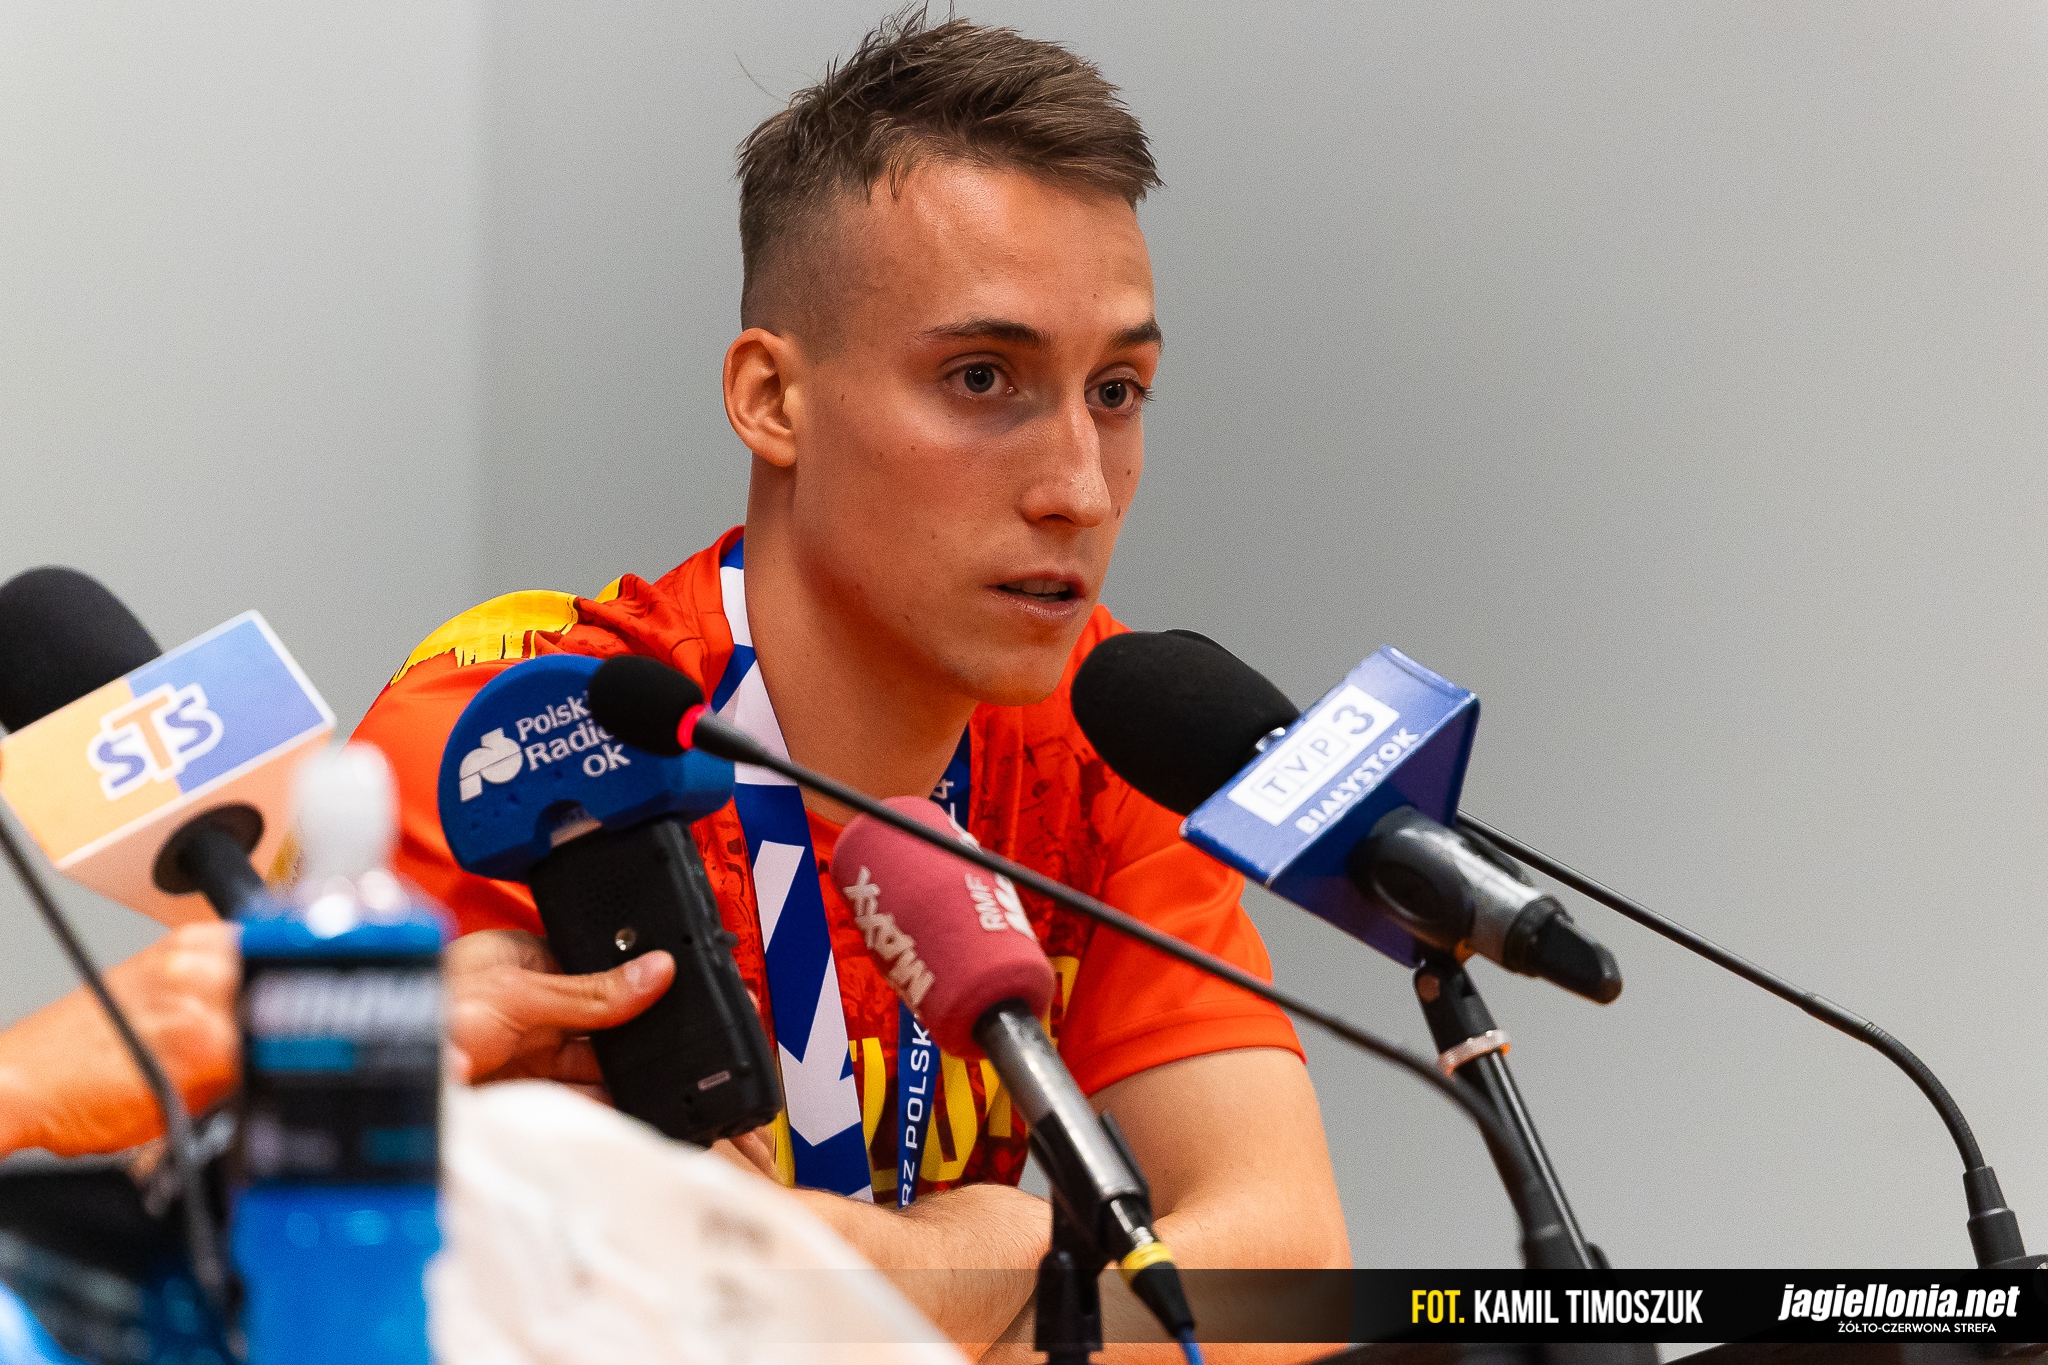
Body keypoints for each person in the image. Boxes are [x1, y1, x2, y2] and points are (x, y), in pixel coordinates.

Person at [353, 11, 1350, 1358]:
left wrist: (929, 1270)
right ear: (773, 399)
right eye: (983, 378)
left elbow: (1289, 1274)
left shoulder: (1103, 725)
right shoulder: (522, 746)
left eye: (1117, 390)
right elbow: (570, 1308)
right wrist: (1009, 1250)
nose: (1078, 488)